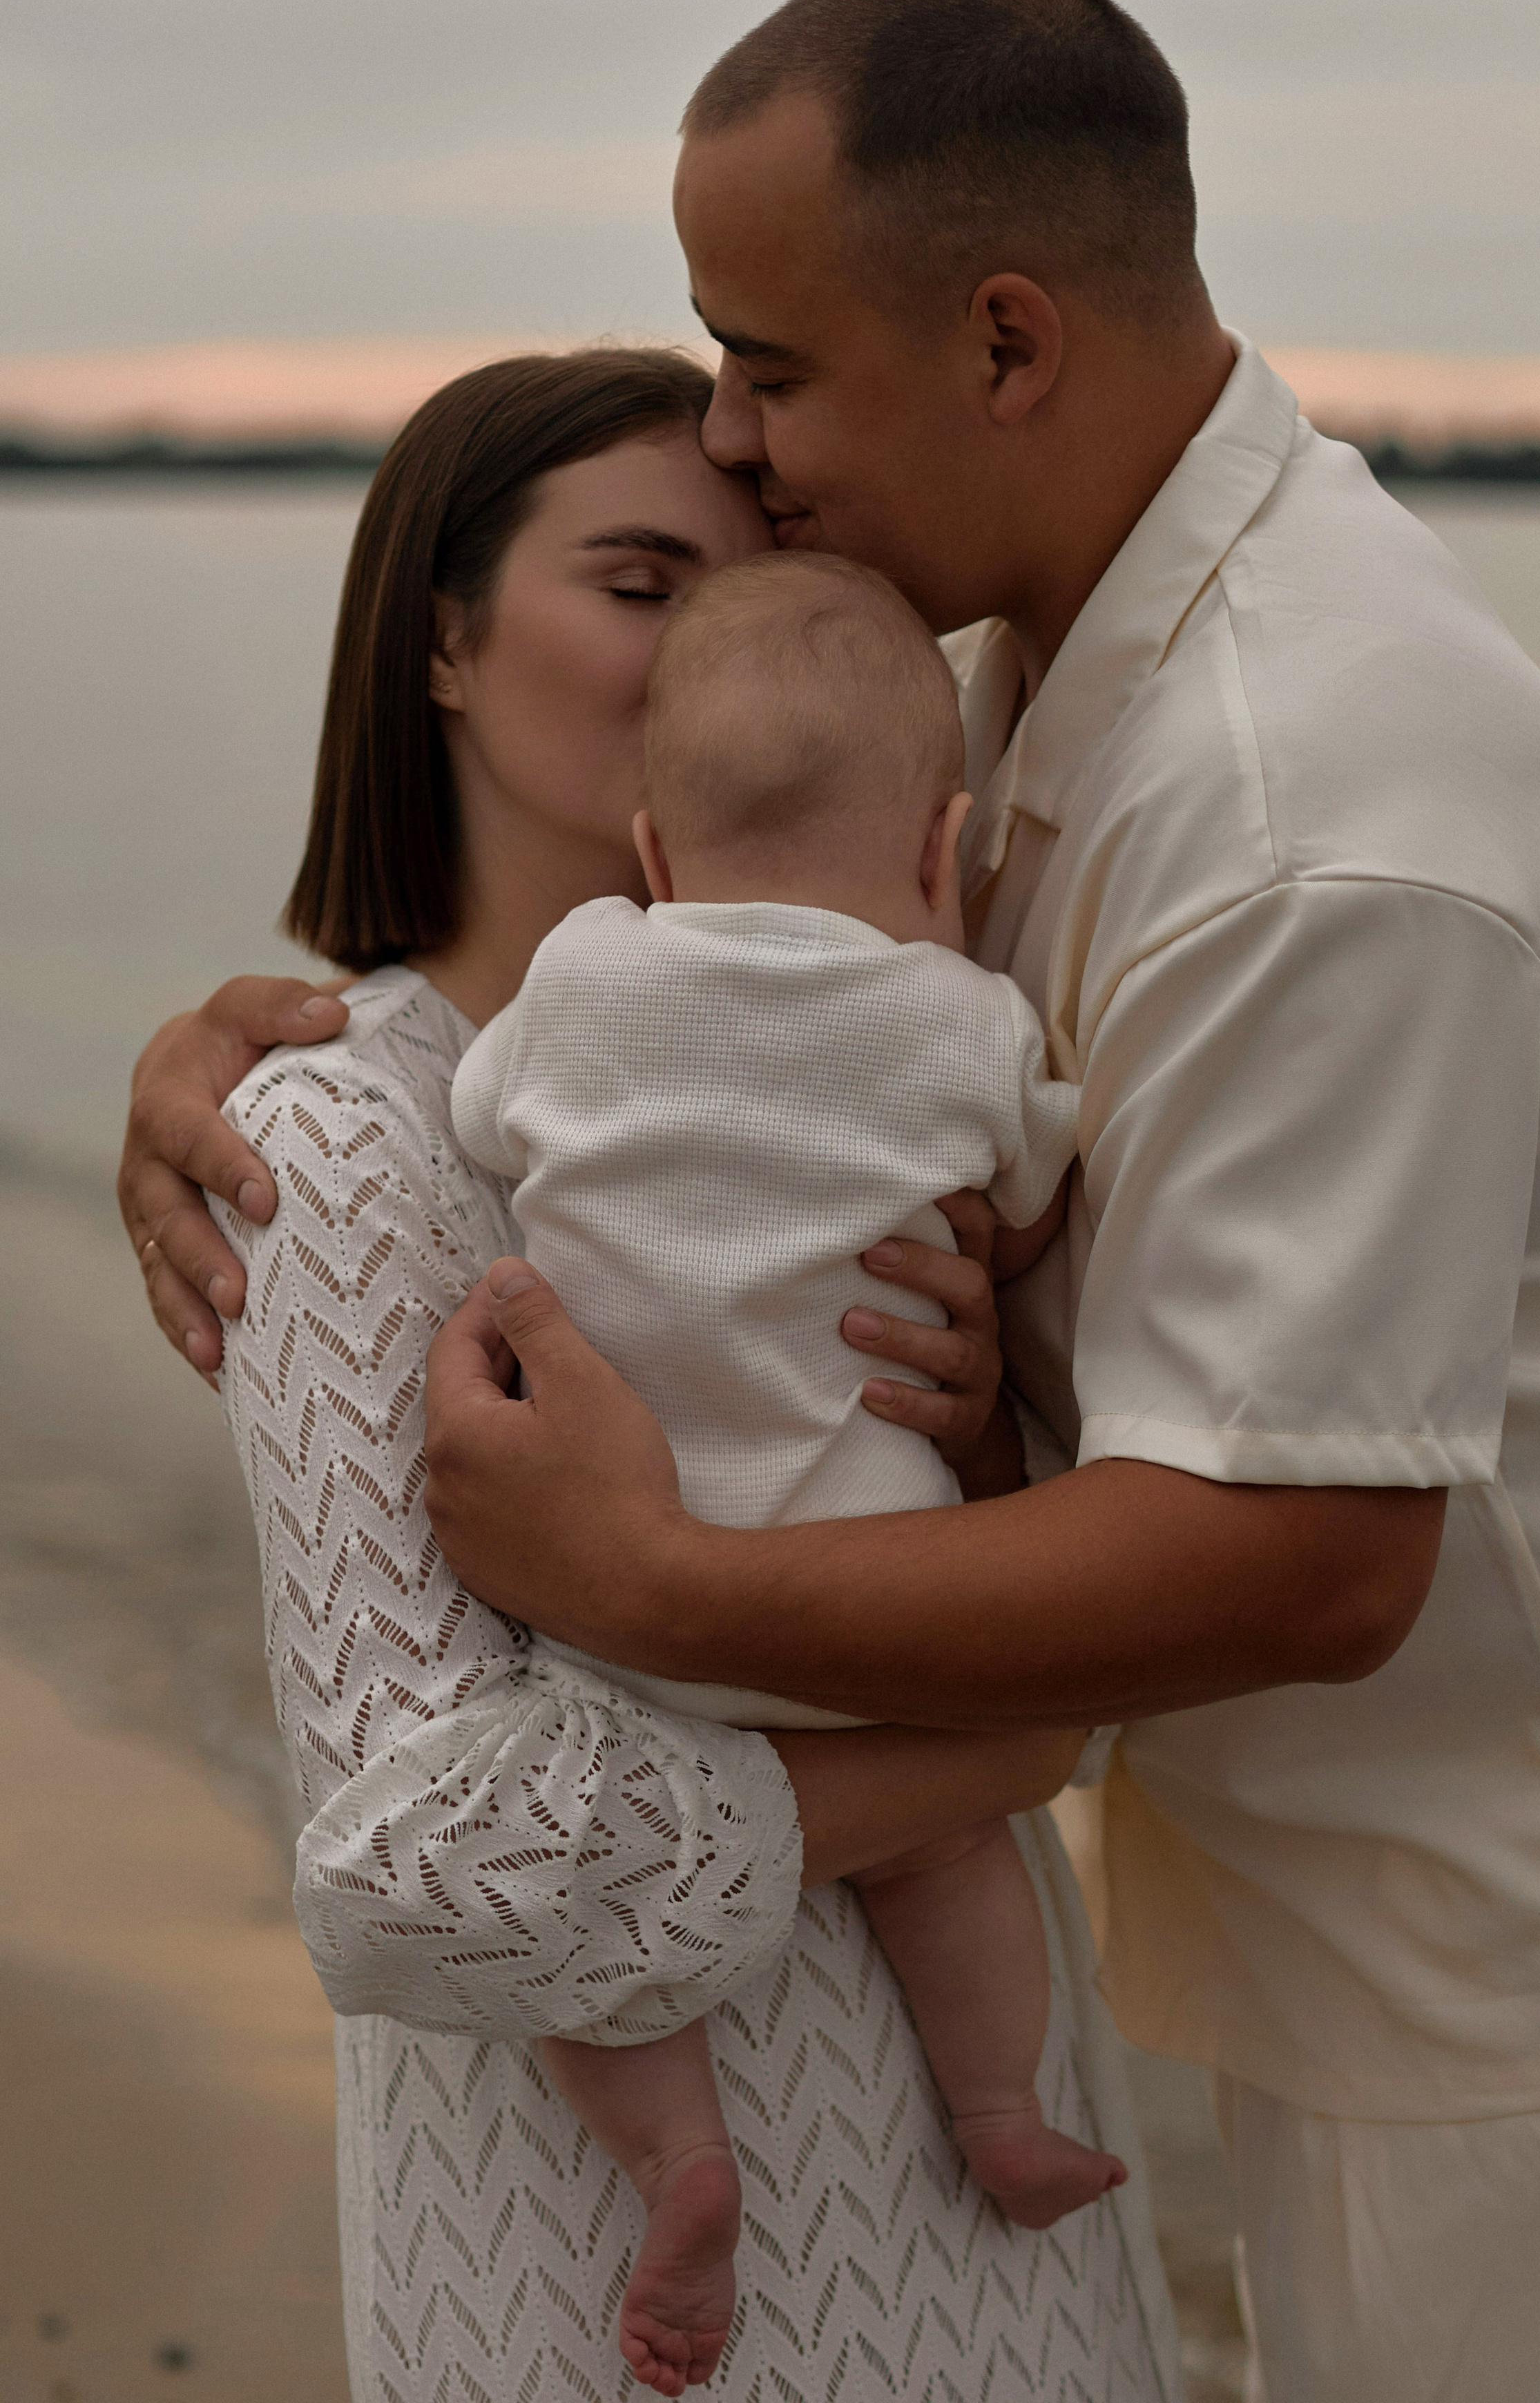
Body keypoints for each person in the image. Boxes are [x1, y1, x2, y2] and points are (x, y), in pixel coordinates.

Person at [121, 0, 1540, 2402]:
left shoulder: (1312, 809)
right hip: (1262, 1967)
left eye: (769, 379)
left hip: (1522, 1984)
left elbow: (1305, 1547)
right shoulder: (1003, 684)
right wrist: (243, 1055)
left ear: (1006, 344)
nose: (749, 458)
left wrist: (664, 1575)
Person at [158, 345, 1179, 2400]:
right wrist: (988, 1747)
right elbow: (422, 1888)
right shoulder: (346, 1144)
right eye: (643, 584)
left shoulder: (899, 1045)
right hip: (613, 2290)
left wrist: (987, 1440)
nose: (723, 647)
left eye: (755, 586)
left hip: (988, 2213)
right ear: (442, 644)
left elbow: (1037, 1563)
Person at [462, 547, 1123, 2391]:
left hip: (615, 1587)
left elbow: (477, 1114)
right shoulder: (965, 1020)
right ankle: (1000, 2109)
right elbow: (1031, 1179)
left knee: (602, 1937)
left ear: (656, 855)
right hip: (863, 1594)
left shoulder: (585, 972)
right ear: (945, 851)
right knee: (952, 1853)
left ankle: (680, 2165)